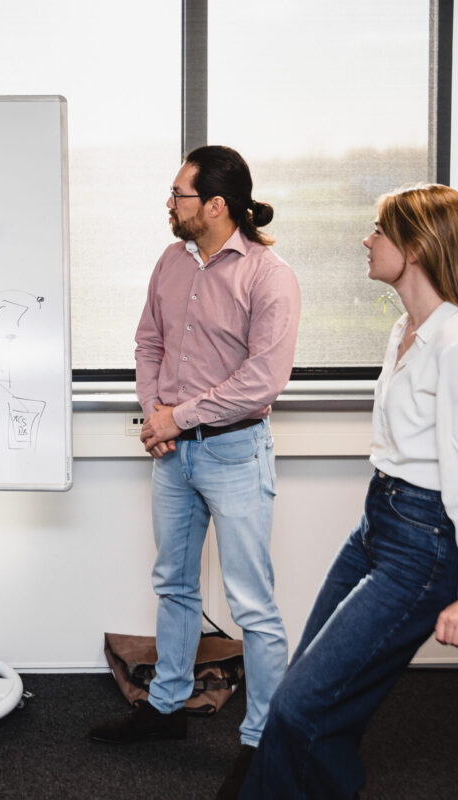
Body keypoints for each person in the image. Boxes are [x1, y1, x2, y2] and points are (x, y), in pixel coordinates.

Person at [240, 184, 458, 799]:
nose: (367, 239)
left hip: (425, 542)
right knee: (297, 701)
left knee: (303, 709)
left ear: (415, 246)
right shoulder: (407, 329)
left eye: (379, 229)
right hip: (380, 522)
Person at [87, 145, 301, 799]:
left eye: (179, 195)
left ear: (215, 205)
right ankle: (165, 709)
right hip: (174, 455)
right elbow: (148, 341)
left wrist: (178, 416)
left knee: (253, 608)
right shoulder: (171, 262)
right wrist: (156, 413)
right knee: (174, 585)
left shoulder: (268, 276)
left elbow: (262, 381)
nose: (170, 206)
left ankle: (261, 742)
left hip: (235, 451)